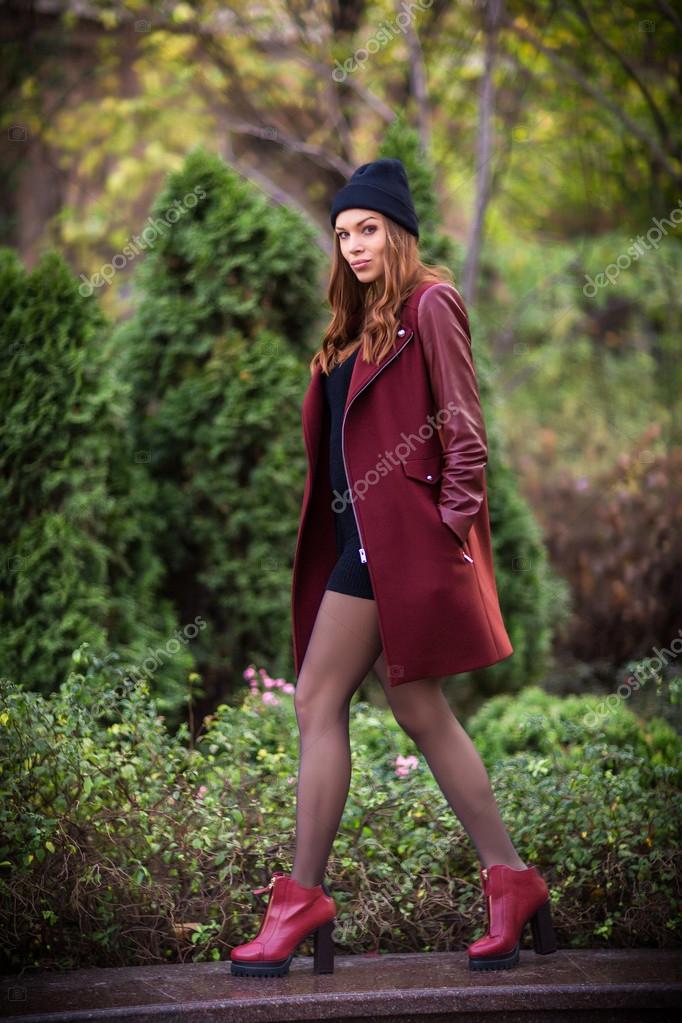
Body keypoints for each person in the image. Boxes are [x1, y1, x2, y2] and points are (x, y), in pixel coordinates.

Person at [230, 159, 556, 978]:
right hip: (356, 541)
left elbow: (464, 426)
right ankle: (512, 879)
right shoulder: (354, 322)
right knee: (420, 709)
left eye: (367, 229)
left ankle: (300, 898)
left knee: (315, 695)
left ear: (398, 232)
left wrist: (445, 529)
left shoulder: (430, 304)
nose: (353, 245)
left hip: (396, 543)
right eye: (343, 234)